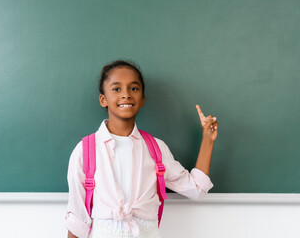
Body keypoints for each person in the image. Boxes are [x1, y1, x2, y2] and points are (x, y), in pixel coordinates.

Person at [65, 59, 219, 238]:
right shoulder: (85, 150)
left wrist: (207, 140)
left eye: (134, 88)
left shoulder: (156, 148)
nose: (126, 95)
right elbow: (77, 218)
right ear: (103, 99)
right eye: (116, 89)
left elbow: (197, 190)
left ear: (142, 99)